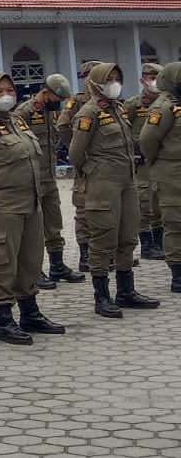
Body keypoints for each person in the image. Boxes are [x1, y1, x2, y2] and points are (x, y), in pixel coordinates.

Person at [0, 72, 65, 345]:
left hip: (30, 204)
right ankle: (4, 320)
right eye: (0, 90)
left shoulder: (18, 122)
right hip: (1, 207)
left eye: (10, 89)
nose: (6, 95)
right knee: (1, 263)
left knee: (29, 260)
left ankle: (30, 312)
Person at [69, 63, 160, 319]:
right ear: (97, 82)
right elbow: (76, 152)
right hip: (103, 182)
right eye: (109, 79)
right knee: (103, 238)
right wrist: (92, 169)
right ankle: (102, 297)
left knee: (128, 233)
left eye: (117, 78)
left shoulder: (119, 108)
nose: (114, 83)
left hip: (127, 180)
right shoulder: (89, 113)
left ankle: (126, 291)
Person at [13, 75, 86, 285]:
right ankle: (34, 271)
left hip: (49, 178)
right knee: (34, 231)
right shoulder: (24, 112)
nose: (59, 101)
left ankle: (57, 266)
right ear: (45, 92)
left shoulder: (50, 112)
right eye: (56, 96)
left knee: (54, 225)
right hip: (31, 180)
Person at [139, 61, 181, 294]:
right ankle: (177, 275)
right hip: (171, 173)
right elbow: (147, 141)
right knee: (175, 224)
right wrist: (157, 160)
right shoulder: (163, 106)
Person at [56, 61, 98, 273]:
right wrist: (76, 147)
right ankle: (84, 255)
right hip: (86, 162)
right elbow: (62, 125)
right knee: (83, 209)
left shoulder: (109, 101)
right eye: (91, 74)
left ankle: (106, 253)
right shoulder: (79, 101)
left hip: (106, 165)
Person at [125, 62, 165, 260]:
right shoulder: (133, 104)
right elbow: (123, 130)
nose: (154, 82)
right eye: (150, 78)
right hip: (140, 160)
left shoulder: (168, 103)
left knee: (159, 201)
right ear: (142, 80)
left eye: (157, 77)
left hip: (161, 159)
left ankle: (160, 243)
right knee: (144, 201)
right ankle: (147, 245)